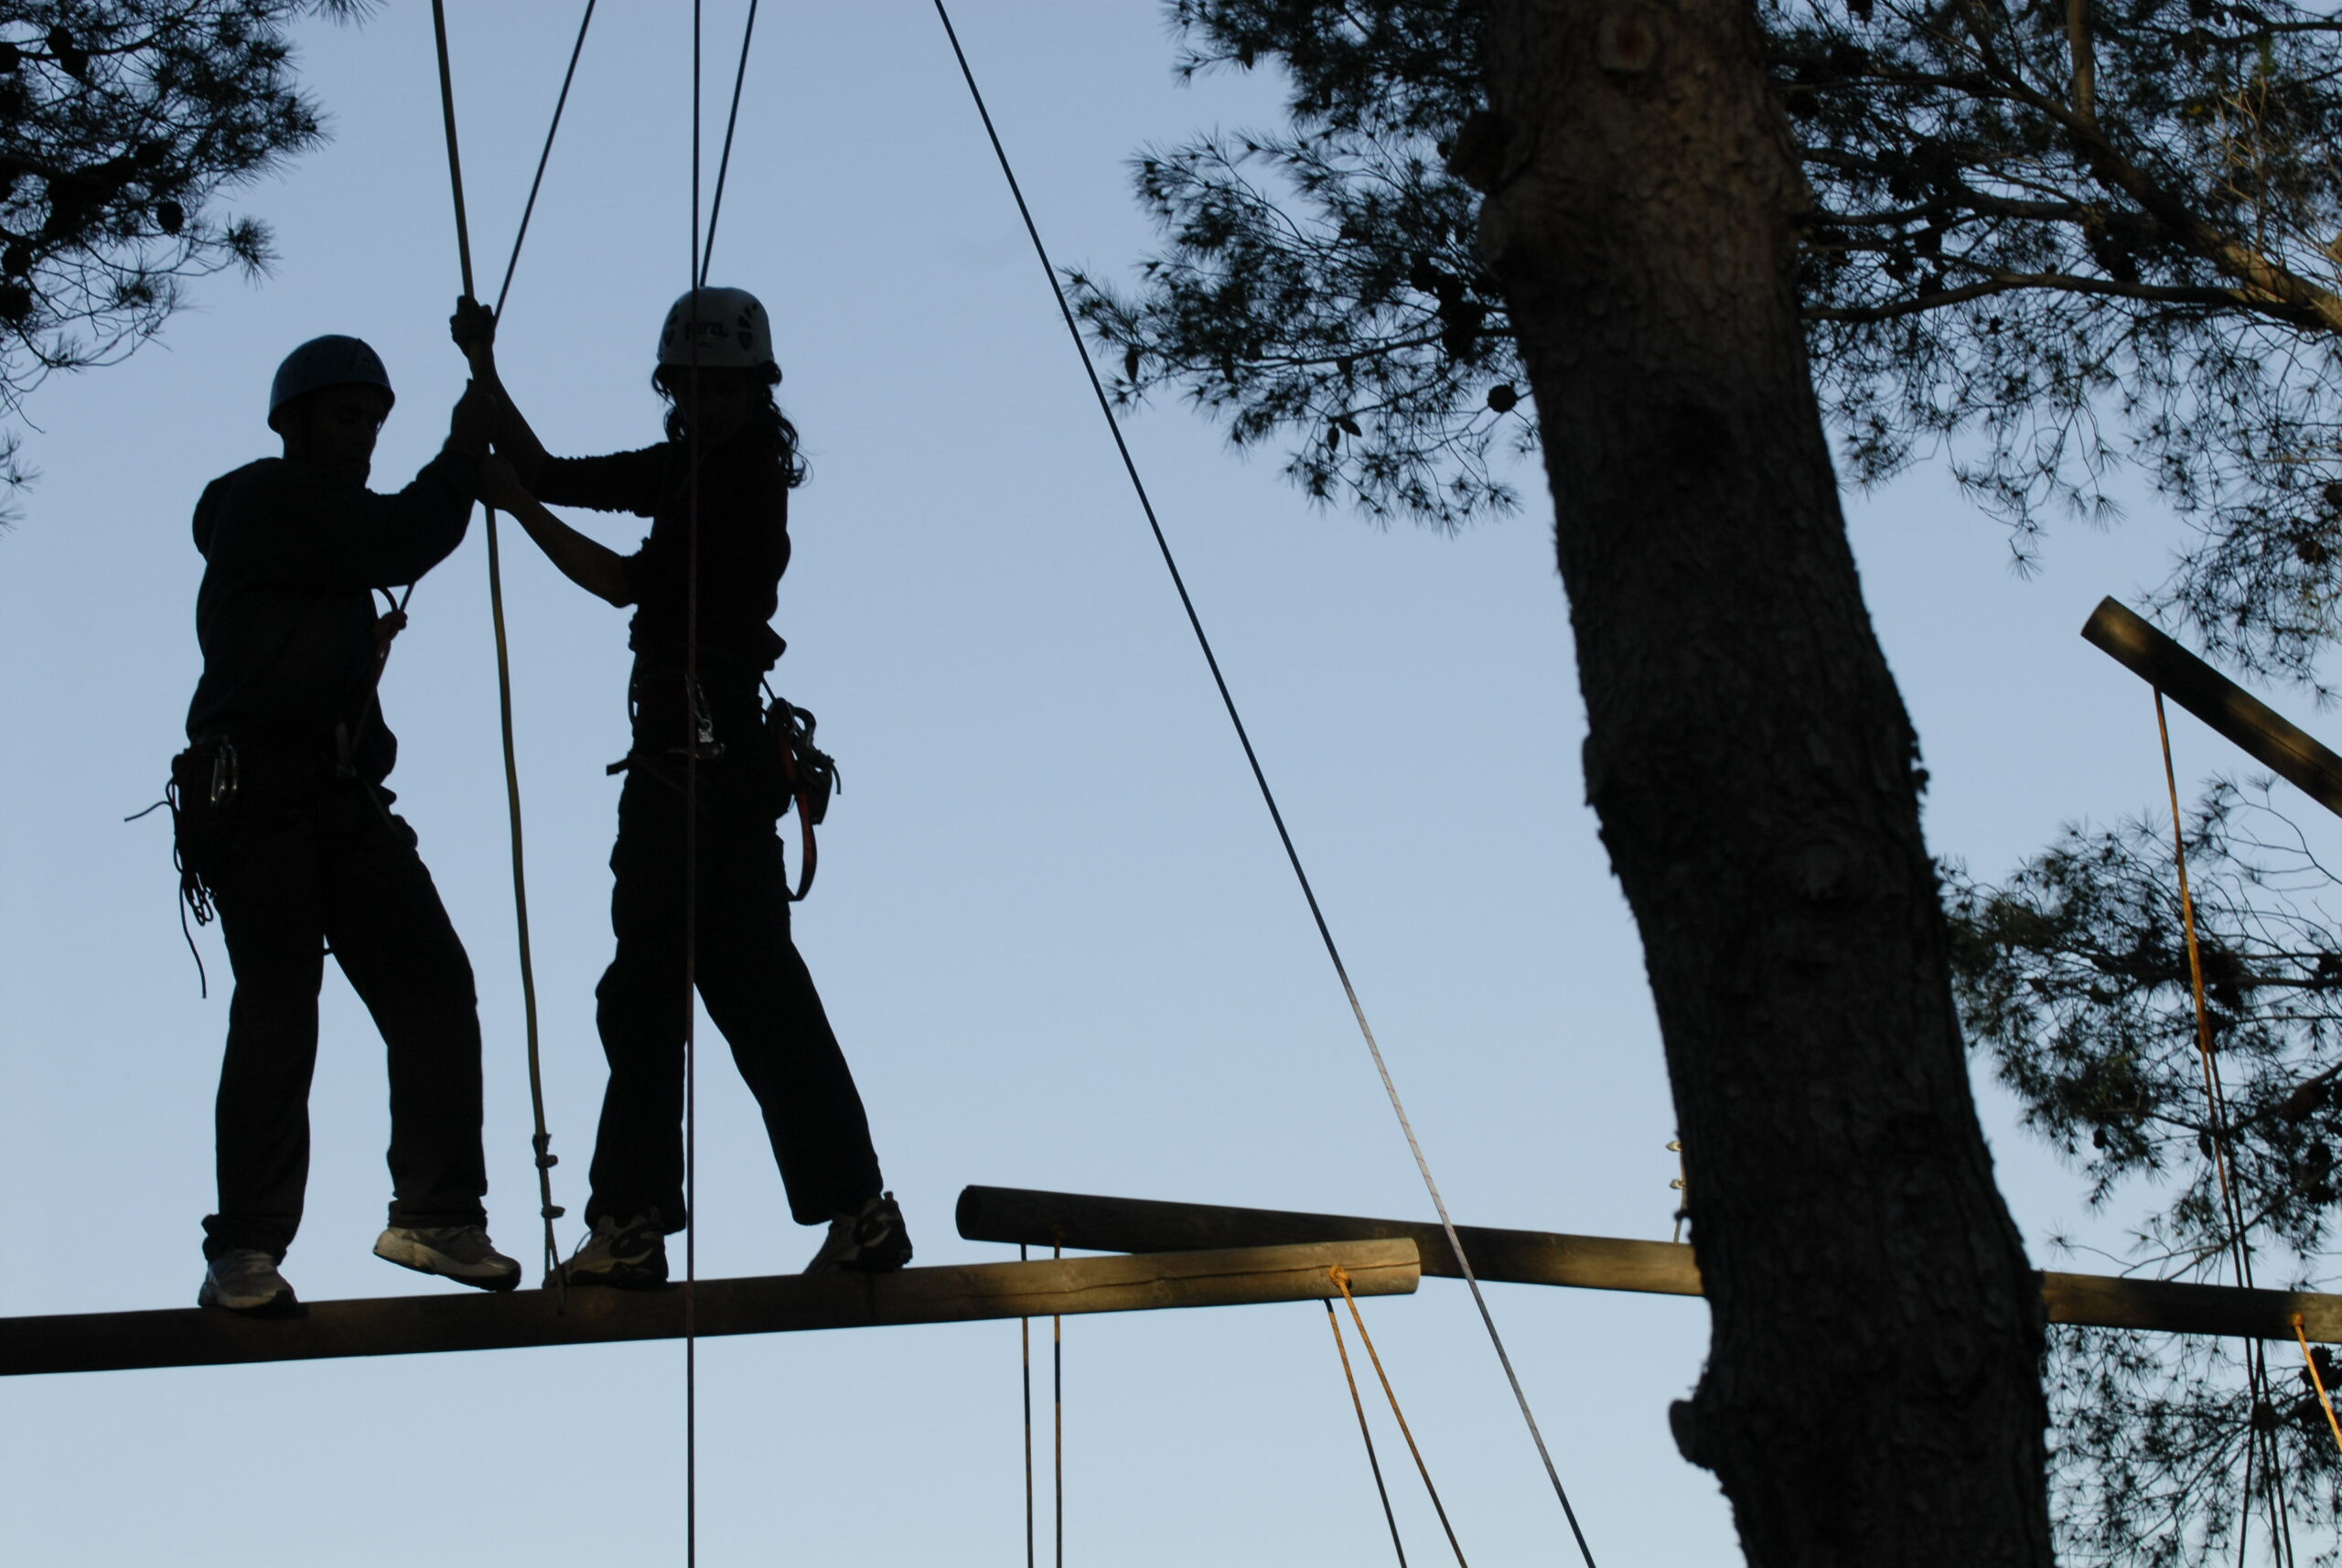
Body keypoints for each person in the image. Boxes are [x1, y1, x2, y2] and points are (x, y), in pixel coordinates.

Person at [454, 287, 910, 1284]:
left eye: (724, 391)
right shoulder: (699, 465)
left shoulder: (734, 481)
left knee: (648, 986)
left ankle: (630, 1221)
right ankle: (858, 1207)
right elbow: (548, 469)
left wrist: (512, 504)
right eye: (692, 391)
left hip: (690, 764)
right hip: (726, 764)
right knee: (758, 988)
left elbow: (618, 578)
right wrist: (487, 376)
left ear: (754, 392)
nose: (707, 405)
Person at [174, 335, 521, 1315]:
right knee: (281, 1011)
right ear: (293, 424)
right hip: (266, 803)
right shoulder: (265, 499)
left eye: (374, 420)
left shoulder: (308, 537)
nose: (363, 436)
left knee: (433, 987)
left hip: (334, 799)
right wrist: (463, 446)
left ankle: (436, 1212)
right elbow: (405, 532)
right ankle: (243, 1248)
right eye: (344, 417)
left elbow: (375, 542)